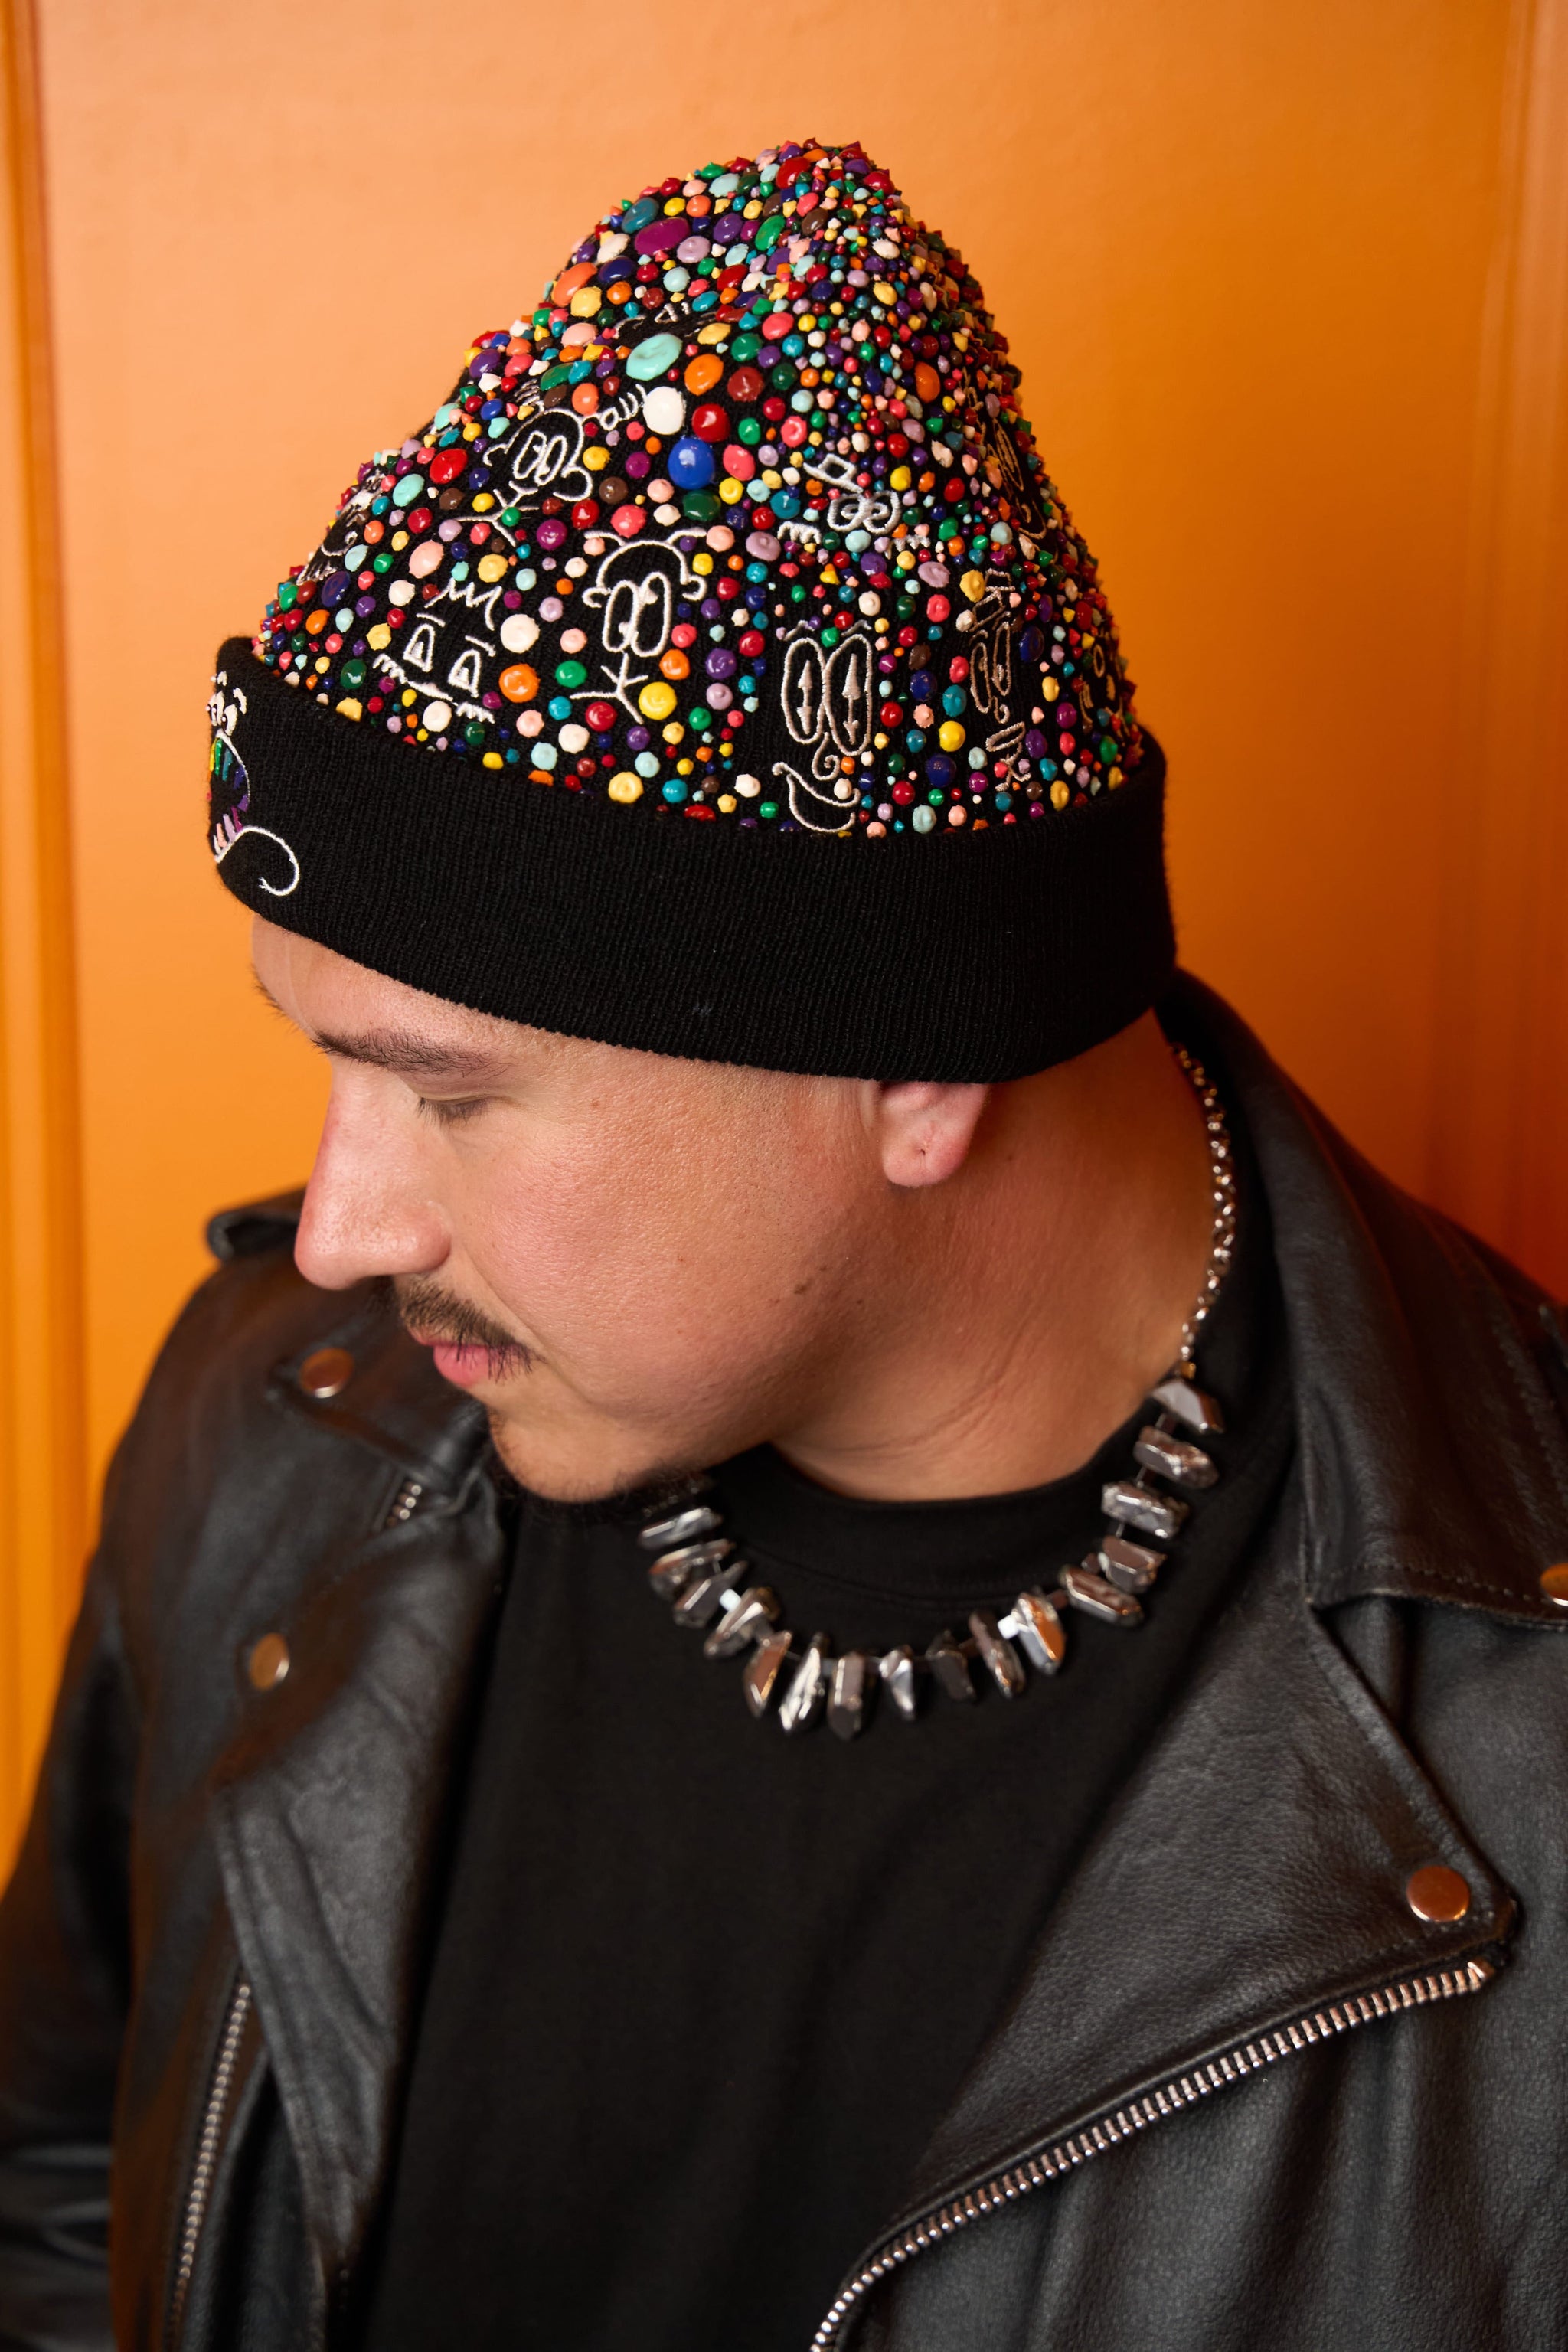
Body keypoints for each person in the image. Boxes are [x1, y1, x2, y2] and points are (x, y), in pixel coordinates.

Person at [2, 135, 1566, 2352]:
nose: (338, 1233)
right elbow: (61, 2191)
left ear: (916, 1054)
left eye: (450, 1091)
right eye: (327, 1065)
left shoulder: (1529, 1736)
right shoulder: (277, 1424)